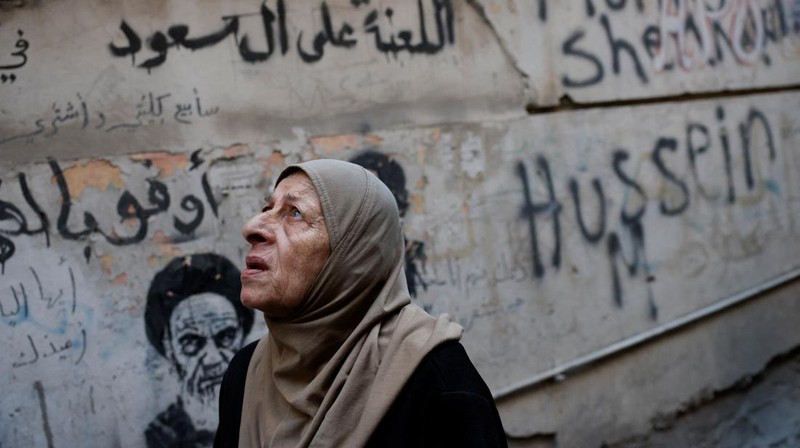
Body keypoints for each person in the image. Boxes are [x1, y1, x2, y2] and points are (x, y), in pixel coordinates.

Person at [215, 159, 507, 447]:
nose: (252, 227)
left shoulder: (437, 384)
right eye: (267, 208)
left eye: (294, 213)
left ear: (354, 255)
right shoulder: (246, 374)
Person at [144, 253, 255, 448]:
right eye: (191, 343)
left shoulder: (266, 418)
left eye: (226, 337)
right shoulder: (161, 436)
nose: (212, 360)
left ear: (241, 335)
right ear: (170, 349)